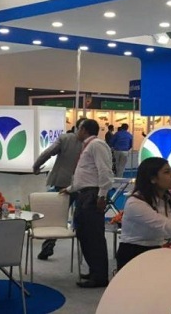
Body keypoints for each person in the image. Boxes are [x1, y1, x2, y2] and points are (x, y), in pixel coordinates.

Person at [61, 119, 113, 288]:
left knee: (94, 237)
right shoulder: (88, 146)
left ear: (83, 129)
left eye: (78, 128)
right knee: (84, 234)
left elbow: (104, 171)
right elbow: (86, 174)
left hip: (92, 195)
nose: (76, 131)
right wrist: (70, 189)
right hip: (84, 194)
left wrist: (102, 195)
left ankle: (100, 276)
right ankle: (94, 270)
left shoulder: (97, 145)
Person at [32, 118, 84, 260]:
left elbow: (48, 152)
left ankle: (48, 246)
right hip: (83, 184)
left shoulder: (64, 138)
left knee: (57, 216)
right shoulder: (92, 143)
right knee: (81, 216)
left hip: (63, 183)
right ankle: (83, 249)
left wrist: (36, 166)